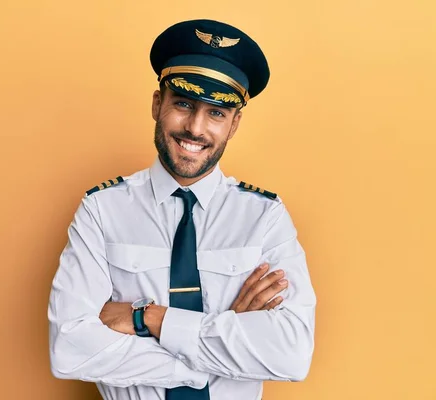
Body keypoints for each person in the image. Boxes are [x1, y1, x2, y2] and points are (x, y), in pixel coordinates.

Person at [48, 19, 316, 400]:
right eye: (184, 104)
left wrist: (148, 318)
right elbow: (70, 350)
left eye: (217, 113)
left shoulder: (264, 218)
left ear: (234, 124)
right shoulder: (101, 210)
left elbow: (291, 355)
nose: (195, 128)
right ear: (158, 104)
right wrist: (221, 339)